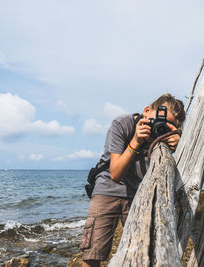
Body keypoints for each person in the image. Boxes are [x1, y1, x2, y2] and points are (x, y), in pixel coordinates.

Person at [80, 94, 186, 267]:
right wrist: (136, 140)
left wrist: (181, 144)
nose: (159, 127)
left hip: (139, 194)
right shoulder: (123, 124)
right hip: (107, 190)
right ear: (146, 111)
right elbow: (115, 174)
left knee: (142, 251)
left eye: (166, 126)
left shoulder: (165, 137)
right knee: (93, 253)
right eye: (157, 120)